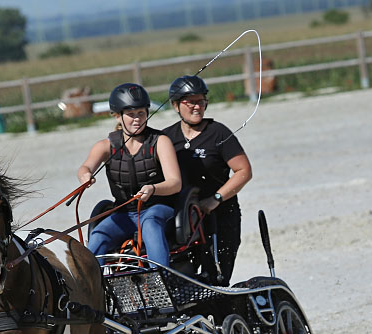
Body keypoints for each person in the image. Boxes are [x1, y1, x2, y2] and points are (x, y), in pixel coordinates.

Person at [78, 83, 181, 267]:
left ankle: (159, 279)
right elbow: (85, 167)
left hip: (157, 208)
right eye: (131, 115)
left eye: (141, 113)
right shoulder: (105, 145)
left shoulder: (161, 142)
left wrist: (153, 188)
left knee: (150, 223)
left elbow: (175, 183)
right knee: (98, 235)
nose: (137, 120)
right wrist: (85, 175)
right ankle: (90, 287)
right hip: (124, 213)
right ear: (117, 115)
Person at [162, 75, 252, 284]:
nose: (197, 107)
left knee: (217, 278)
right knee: (182, 279)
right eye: (190, 102)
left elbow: (244, 171)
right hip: (184, 222)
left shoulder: (218, 132)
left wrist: (216, 198)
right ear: (176, 105)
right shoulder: (166, 137)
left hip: (219, 216)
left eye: (201, 101)